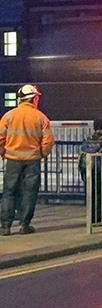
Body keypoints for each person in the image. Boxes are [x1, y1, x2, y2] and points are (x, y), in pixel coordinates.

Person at [0, 84, 54, 236]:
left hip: (12, 160)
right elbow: (48, 141)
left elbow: (0, 138)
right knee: (29, 193)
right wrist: (41, 154)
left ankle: (5, 226)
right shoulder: (41, 117)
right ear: (33, 99)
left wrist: (4, 153)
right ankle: (25, 225)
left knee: (9, 192)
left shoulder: (8, 116)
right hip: (32, 161)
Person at [79, 119, 102, 223]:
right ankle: (97, 217)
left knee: (90, 194)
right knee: (100, 195)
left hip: (88, 170)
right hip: (101, 172)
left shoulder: (87, 139)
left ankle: (90, 217)